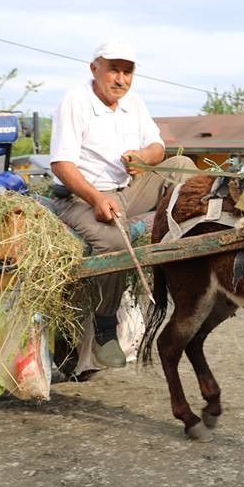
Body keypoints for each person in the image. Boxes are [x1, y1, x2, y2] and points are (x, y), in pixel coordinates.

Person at [49, 40, 193, 367]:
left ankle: (184, 258)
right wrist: (97, 198)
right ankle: (104, 328)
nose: (121, 79)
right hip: (81, 195)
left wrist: (143, 158)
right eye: (113, 69)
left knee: (185, 170)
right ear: (94, 69)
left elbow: (158, 147)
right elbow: (62, 164)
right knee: (115, 241)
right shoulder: (76, 101)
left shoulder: (134, 103)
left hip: (128, 188)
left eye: (128, 72)